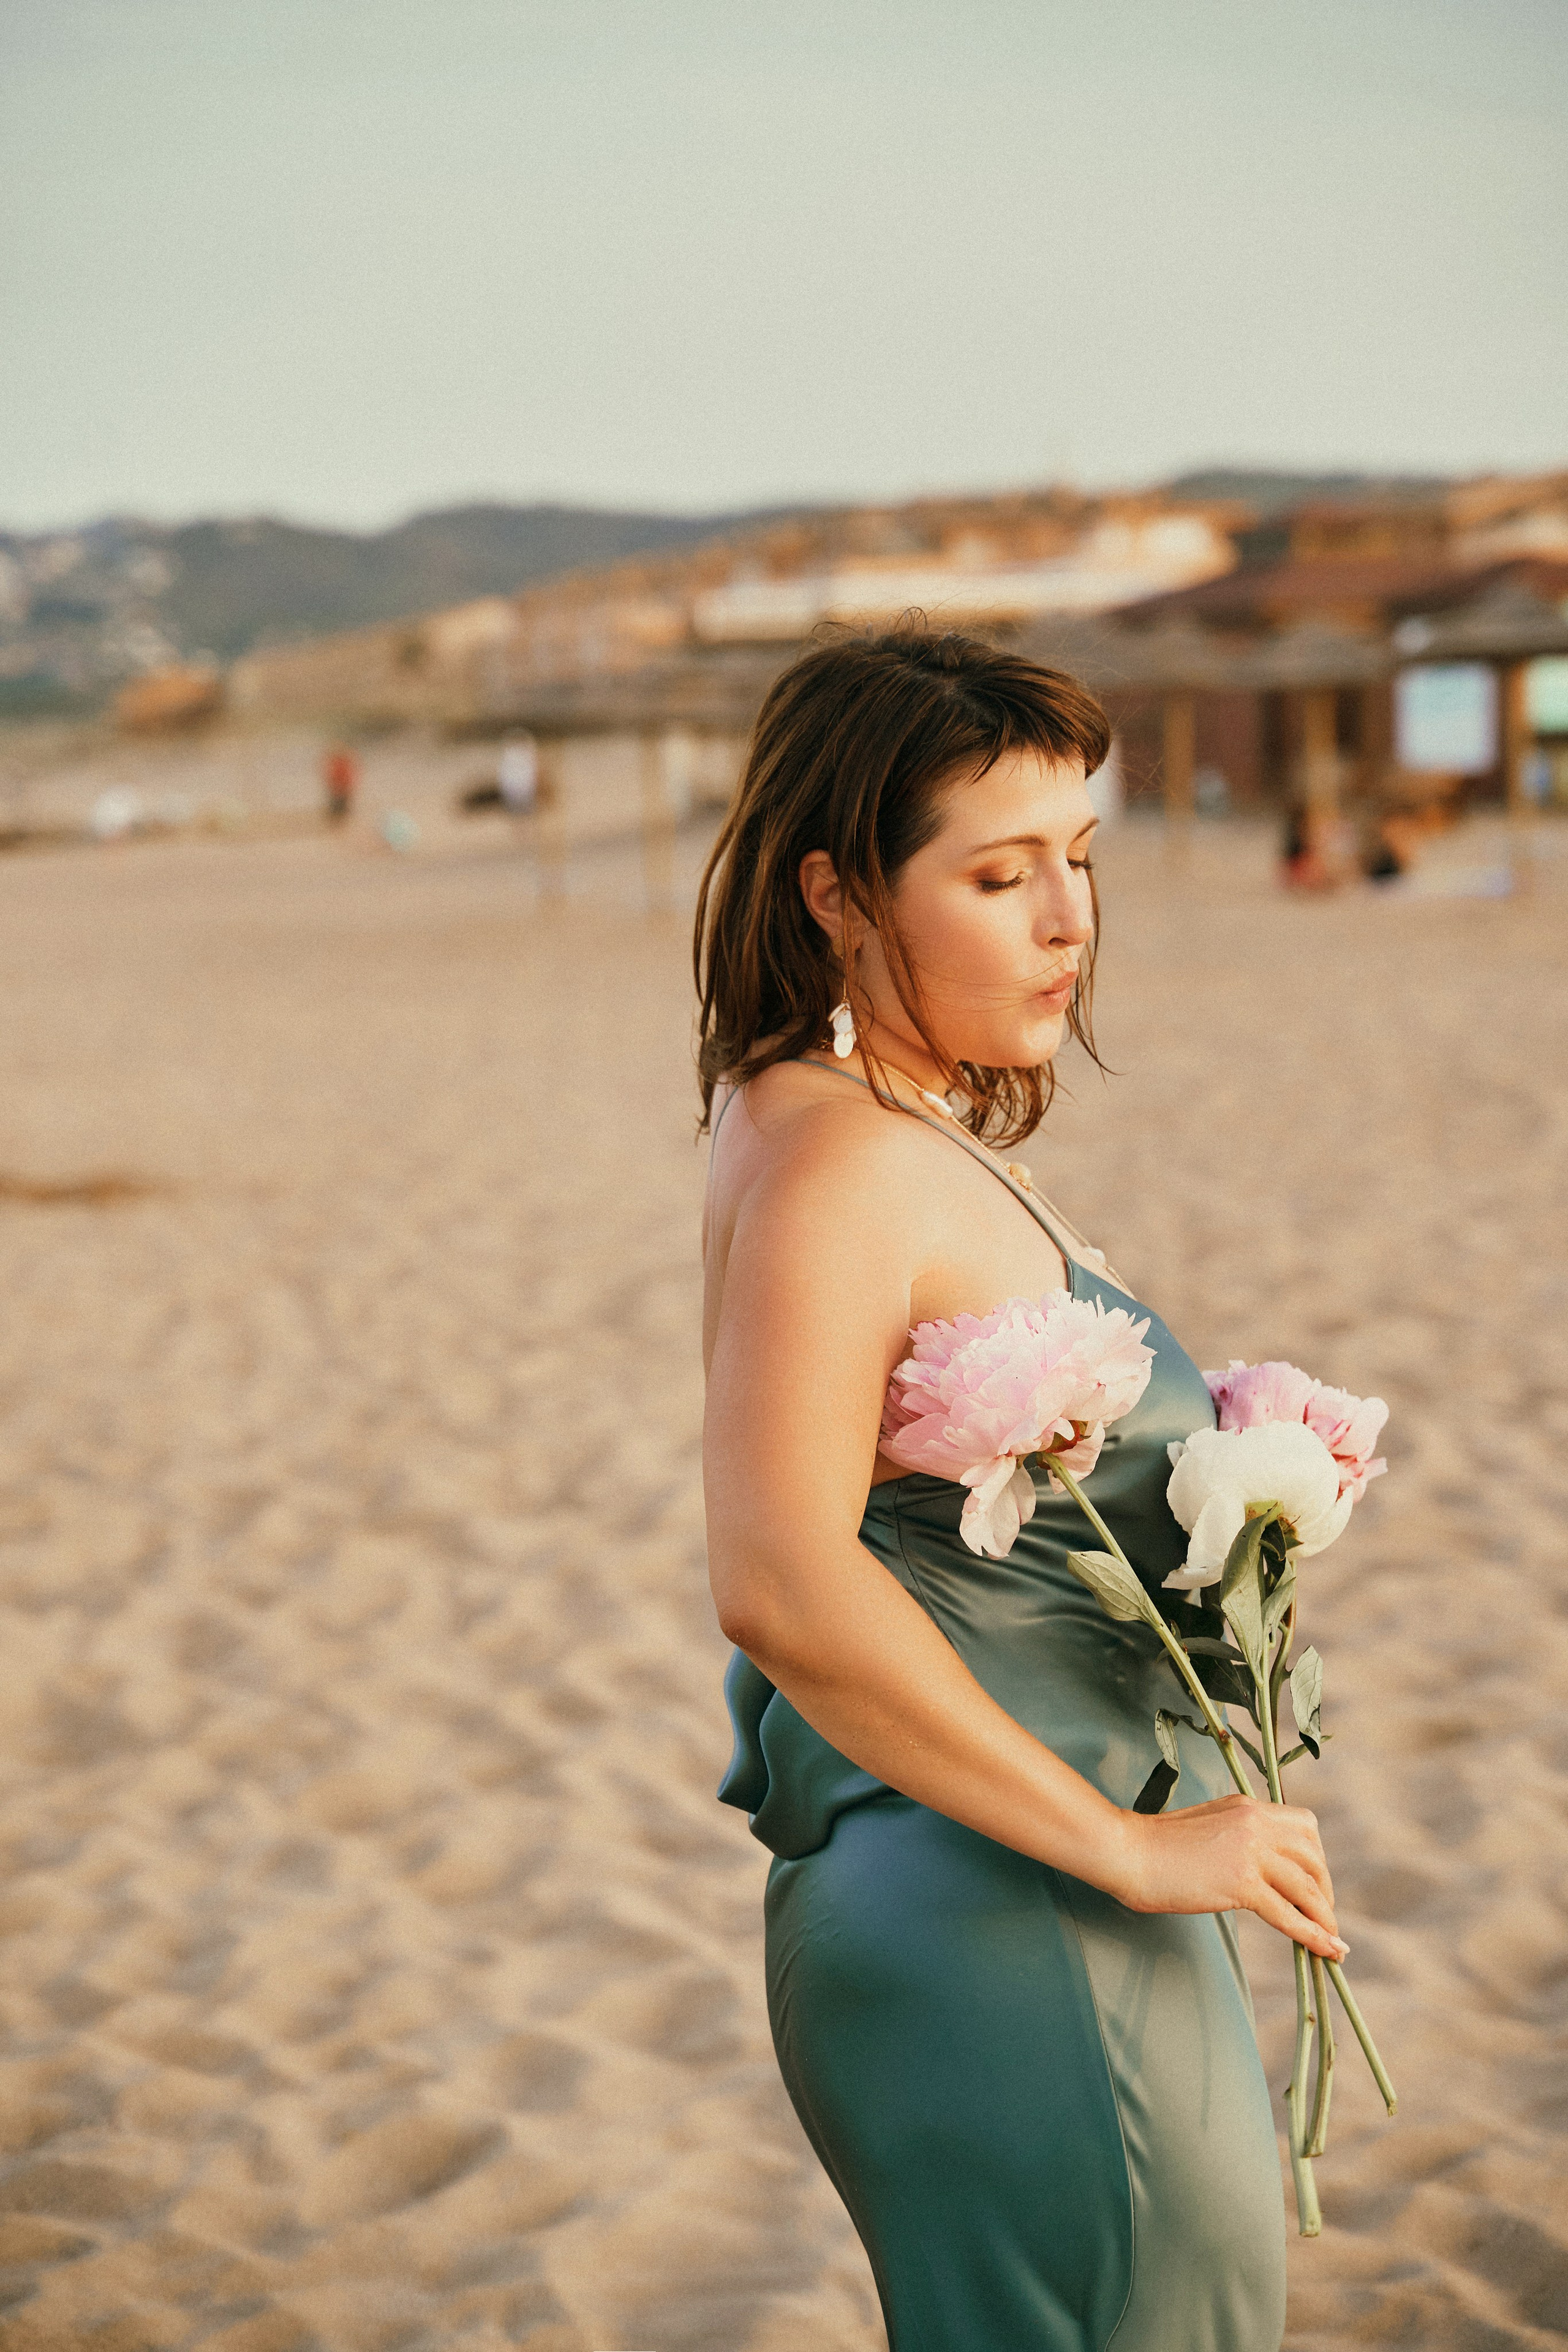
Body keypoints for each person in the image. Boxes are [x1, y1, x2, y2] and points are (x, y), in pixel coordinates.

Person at [696, 629, 1345, 2352]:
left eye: (1081, 857)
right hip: (1017, 1912)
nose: (1069, 919)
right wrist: (1127, 1853)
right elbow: (777, 1575)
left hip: (1000, 1893)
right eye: (999, 874)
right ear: (839, 893)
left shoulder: (825, 1114)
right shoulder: (843, 1161)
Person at [322, 743, 359, 824]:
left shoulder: (342, 763)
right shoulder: (338, 763)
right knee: (337, 810)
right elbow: (331, 775)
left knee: (341, 810)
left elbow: (347, 775)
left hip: (342, 789)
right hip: (338, 789)